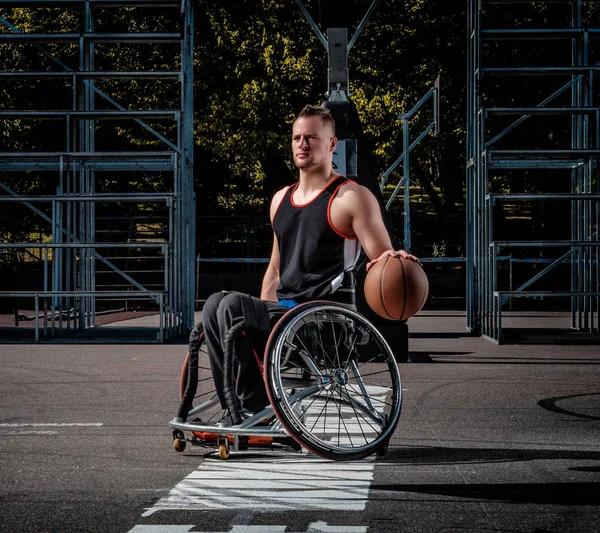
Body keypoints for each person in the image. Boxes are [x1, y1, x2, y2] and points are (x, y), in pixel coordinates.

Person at [188, 104, 419, 426]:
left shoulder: (350, 197)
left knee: (231, 307)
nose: (303, 144)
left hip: (325, 323)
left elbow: (381, 257)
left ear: (332, 144)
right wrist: (260, 318)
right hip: (285, 318)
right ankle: (238, 408)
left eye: (311, 137)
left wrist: (396, 260)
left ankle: (254, 410)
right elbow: (275, 269)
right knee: (216, 304)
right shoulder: (280, 199)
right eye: (297, 137)